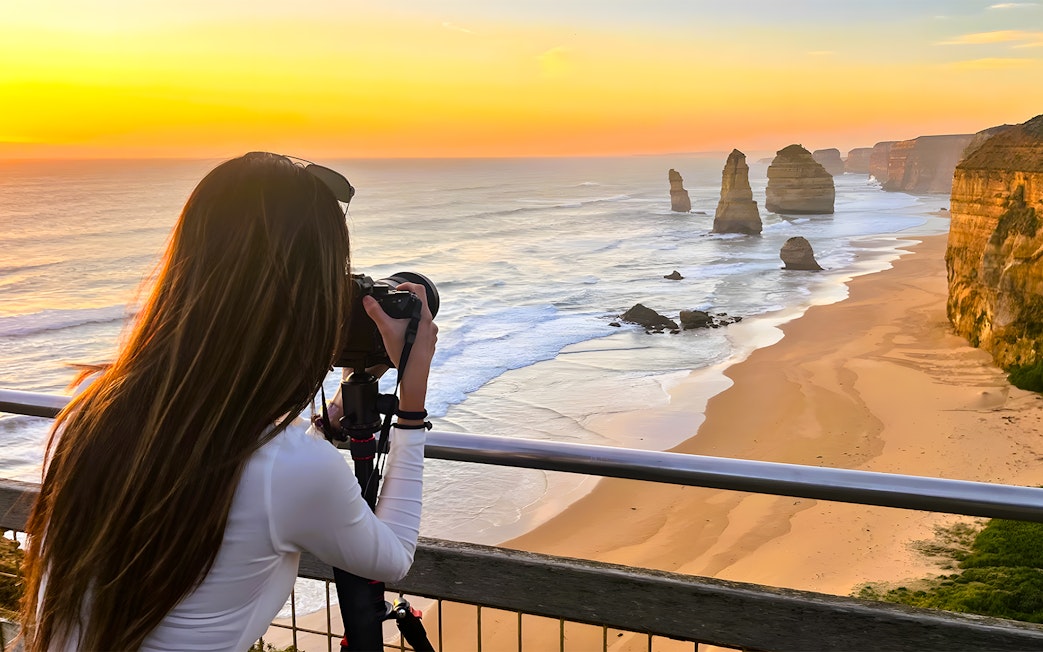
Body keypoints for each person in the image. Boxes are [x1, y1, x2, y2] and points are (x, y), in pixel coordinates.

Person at [17, 152, 438, 651]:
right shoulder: (292, 469)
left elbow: (226, 462)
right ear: (307, 299)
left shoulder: (91, 411)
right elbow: (391, 556)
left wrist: (319, 429)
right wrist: (411, 405)